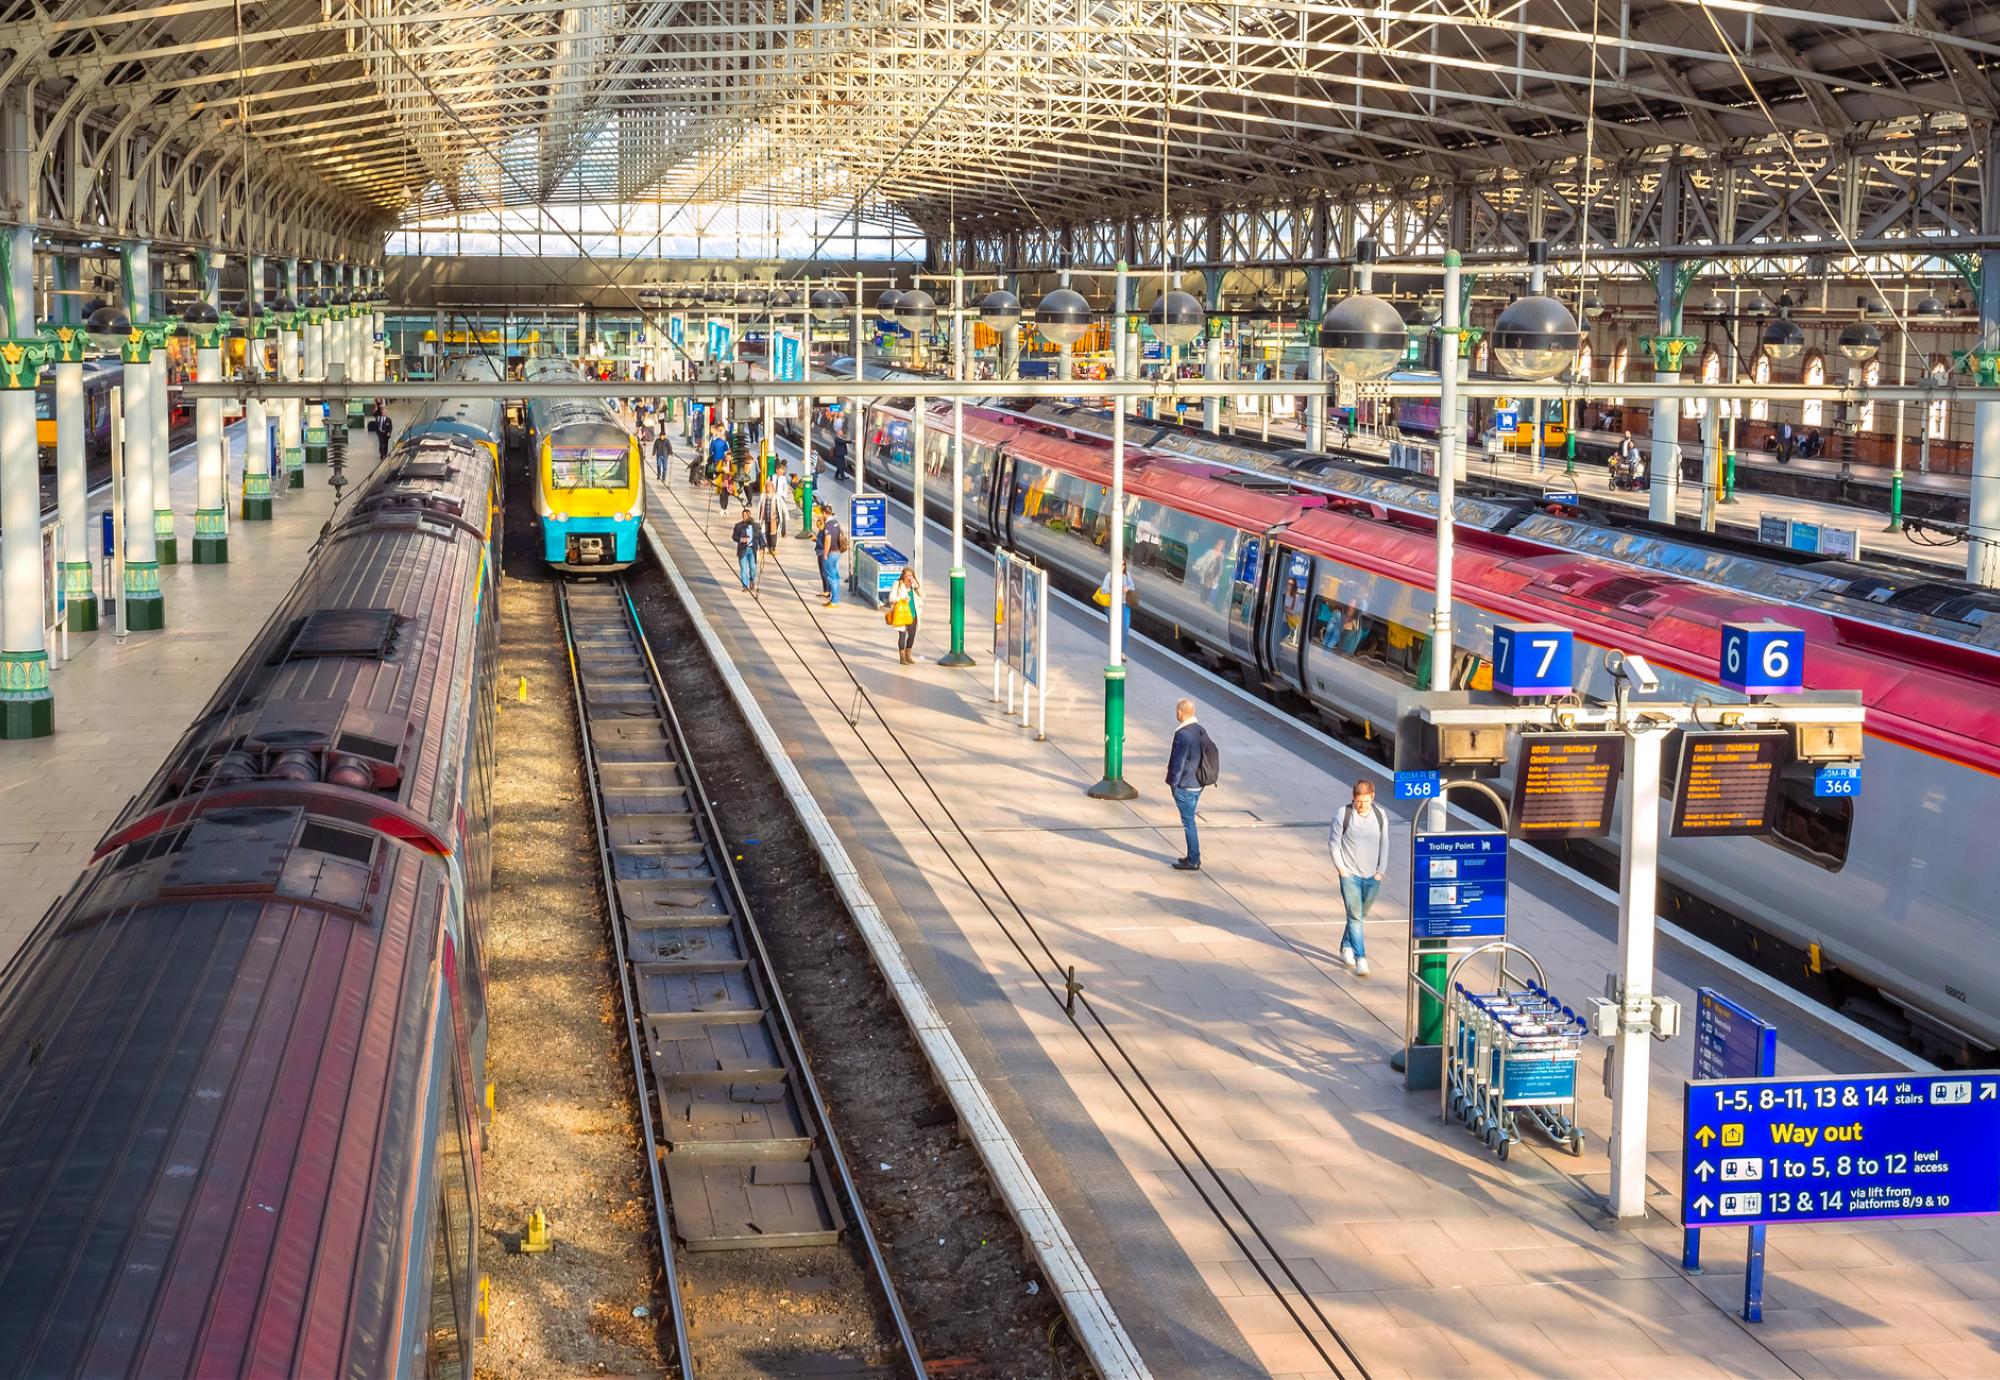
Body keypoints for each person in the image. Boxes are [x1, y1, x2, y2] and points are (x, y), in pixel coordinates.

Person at [1327, 780, 1390, 976]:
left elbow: (1384, 843)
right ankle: (1360, 957)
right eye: (1357, 801)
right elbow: (1334, 843)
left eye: (1364, 801)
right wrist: (1342, 870)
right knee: (1355, 917)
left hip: (1372, 876)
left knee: (1360, 915)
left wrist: (1381, 871)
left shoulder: (1380, 816)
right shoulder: (1343, 814)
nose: (1361, 805)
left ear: (1372, 796)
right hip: (1350, 875)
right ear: (1353, 798)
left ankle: (1346, 945)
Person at [1164, 698, 1217, 872]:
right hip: (1198, 783)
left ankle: (1193, 859)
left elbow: (1178, 763)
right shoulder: (1200, 730)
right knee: (1190, 819)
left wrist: (1173, 784)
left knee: (1189, 823)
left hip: (1185, 786)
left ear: (1180, 713)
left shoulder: (1182, 735)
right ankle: (1191, 856)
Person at [816, 506, 848, 606]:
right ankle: (835, 599)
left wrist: (825, 554)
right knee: (835, 576)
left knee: (831, 577)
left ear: (824, 513)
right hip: (837, 552)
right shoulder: (836, 522)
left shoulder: (828, 525)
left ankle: (834, 601)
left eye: (822, 514)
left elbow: (828, 540)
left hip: (831, 553)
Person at [887, 567, 921, 663]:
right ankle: (902, 657)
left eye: (911, 576)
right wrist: (902, 599)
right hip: (901, 614)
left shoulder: (914, 586)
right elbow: (891, 598)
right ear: (903, 576)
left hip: (913, 614)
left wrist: (916, 586)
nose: (909, 578)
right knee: (902, 635)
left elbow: (923, 595)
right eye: (907, 576)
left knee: (912, 635)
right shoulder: (897, 584)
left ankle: (908, 653)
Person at [1095, 558, 1136, 635]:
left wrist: (1127, 588)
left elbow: (1132, 587)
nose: (1122, 566)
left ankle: (1122, 645)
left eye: (1123, 564)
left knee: (1125, 628)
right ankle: (1114, 642)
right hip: (1111, 603)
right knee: (1114, 627)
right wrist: (1114, 591)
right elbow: (1104, 590)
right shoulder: (1110, 575)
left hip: (1124, 604)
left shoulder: (1127, 575)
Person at [730, 506, 761, 594]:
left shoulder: (756, 526)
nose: (745, 517)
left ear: (750, 516)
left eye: (747, 515)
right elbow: (734, 537)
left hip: (752, 550)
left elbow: (760, 537)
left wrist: (762, 548)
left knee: (752, 568)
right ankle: (745, 585)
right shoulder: (738, 526)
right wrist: (741, 539)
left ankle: (751, 580)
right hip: (743, 550)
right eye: (743, 515)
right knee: (743, 568)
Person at [757, 479, 785, 553]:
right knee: (766, 533)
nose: (768, 488)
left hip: (774, 518)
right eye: (767, 487)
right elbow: (760, 507)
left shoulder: (776, 496)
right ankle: (769, 547)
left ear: (773, 488)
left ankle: (773, 547)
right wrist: (760, 518)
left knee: (773, 533)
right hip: (765, 518)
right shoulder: (763, 496)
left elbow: (780, 507)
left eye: (770, 487)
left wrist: (780, 518)